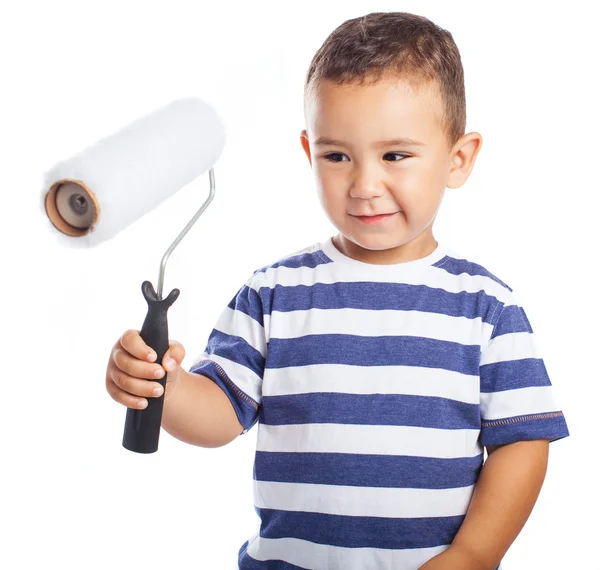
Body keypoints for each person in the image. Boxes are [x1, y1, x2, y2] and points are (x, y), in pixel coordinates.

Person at [105, 11, 570, 570]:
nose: (364, 185)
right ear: (309, 152)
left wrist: (474, 554)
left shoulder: (487, 308)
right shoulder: (274, 293)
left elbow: (522, 445)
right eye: (337, 156)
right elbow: (219, 416)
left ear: (458, 158)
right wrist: (167, 386)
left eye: (395, 155)